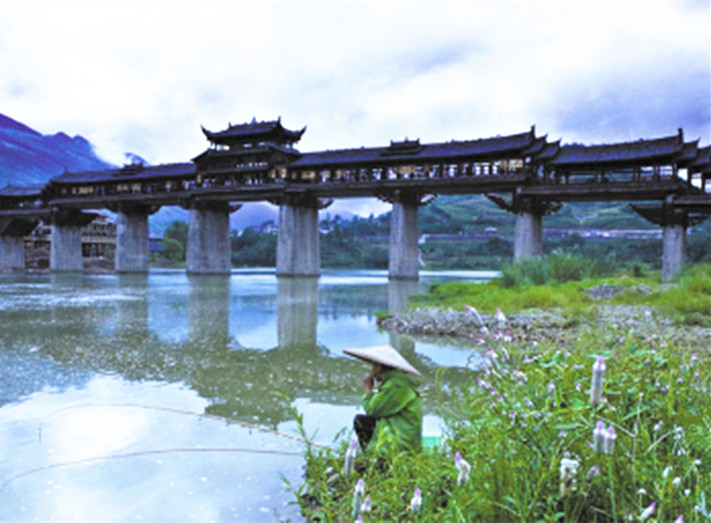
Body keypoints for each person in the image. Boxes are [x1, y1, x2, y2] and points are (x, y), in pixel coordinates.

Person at [344, 345, 423, 453]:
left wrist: (368, 388)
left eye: (374, 367)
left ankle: (376, 457)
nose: (372, 371)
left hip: (400, 439)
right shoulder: (394, 381)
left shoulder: (396, 385)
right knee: (363, 420)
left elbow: (372, 410)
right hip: (401, 431)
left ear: (380, 367)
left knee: (361, 421)